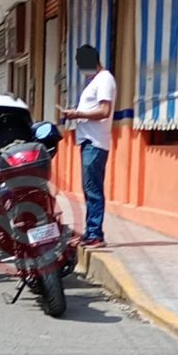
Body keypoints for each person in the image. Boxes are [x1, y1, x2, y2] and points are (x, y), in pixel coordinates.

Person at [61, 44, 116, 249]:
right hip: (87, 141)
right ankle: (90, 231)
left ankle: (95, 234)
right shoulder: (95, 81)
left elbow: (104, 111)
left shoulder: (105, 80)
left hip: (96, 142)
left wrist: (78, 114)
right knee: (88, 188)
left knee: (93, 190)